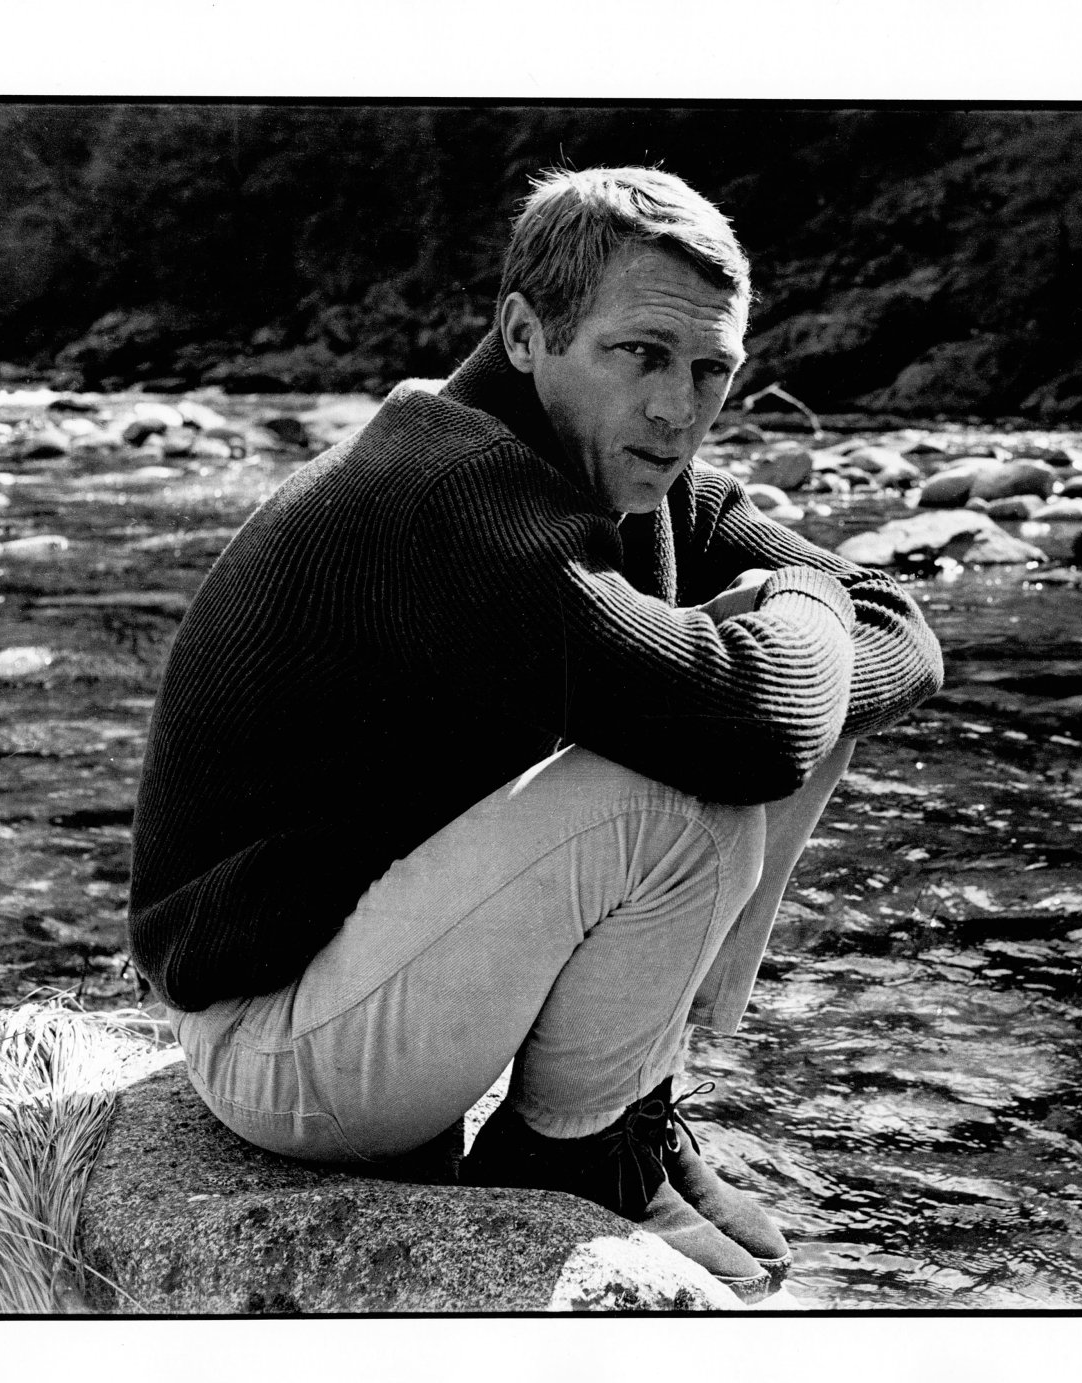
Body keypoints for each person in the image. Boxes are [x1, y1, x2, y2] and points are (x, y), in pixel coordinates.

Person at [126, 166, 944, 1301]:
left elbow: (906, 632)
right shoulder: (452, 496)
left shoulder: (632, 468)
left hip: (364, 975)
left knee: (774, 696)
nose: (678, 408)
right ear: (525, 332)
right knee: (687, 784)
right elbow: (765, 722)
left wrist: (809, 624)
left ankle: (634, 1113)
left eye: (712, 370)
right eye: (641, 355)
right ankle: (571, 1159)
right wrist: (806, 607)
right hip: (275, 1043)